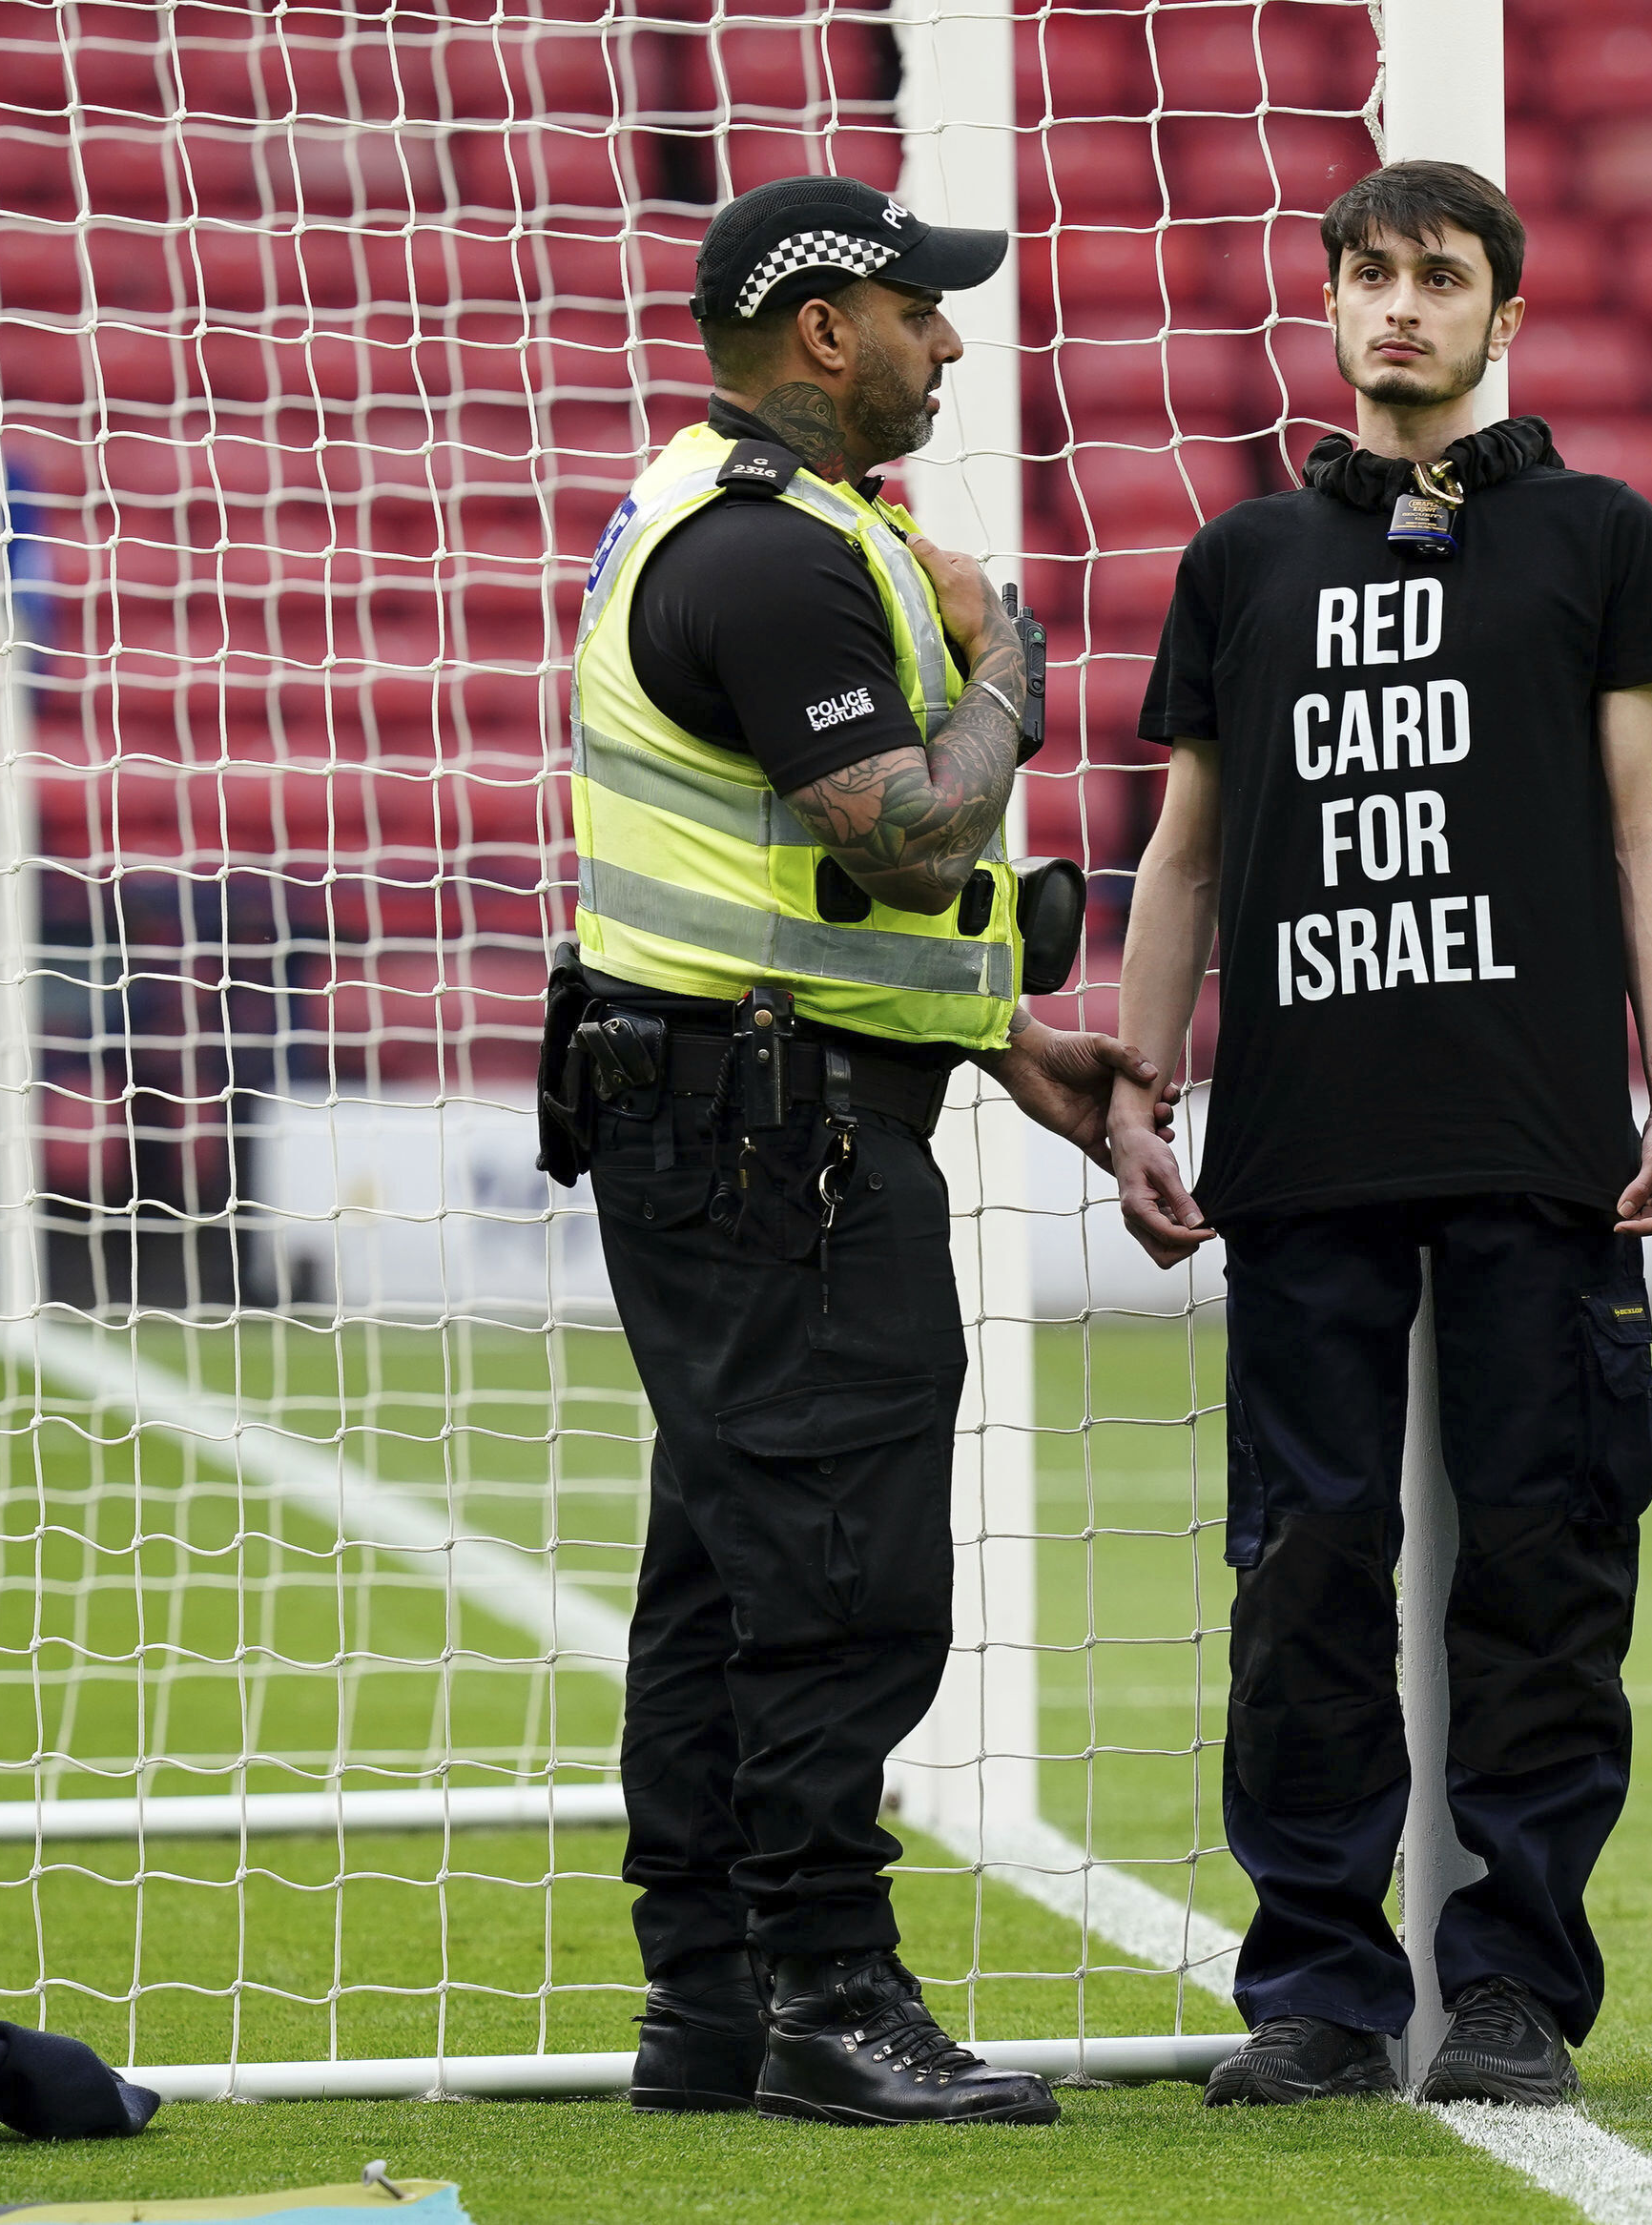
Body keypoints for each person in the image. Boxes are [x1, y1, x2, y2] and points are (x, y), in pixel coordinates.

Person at [544, 175, 1174, 2127]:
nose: (952, 341)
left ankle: (711, 1999)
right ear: (823, 329)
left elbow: (797, 903)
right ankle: (829, 1987)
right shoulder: (775, 559)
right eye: (923, 308)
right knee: (837, 1566)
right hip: (777, 1145)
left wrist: (994, 1043)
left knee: (728, 1567)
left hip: (748, 1108)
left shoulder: (744, 526)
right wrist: (1012, 661)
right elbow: (905, 834)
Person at [1106, 159, 1652, 2109]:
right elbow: (1182, 846)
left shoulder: (1597, 534)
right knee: (1304, 1576)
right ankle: (1315, 1988)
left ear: (1502, 311)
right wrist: (1137, 1080)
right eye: (1366, 275)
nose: (1398, 309)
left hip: (1540, 1130)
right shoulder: (1243, 560)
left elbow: (1641, 822)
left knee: (1541, 1567)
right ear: (1332, 304)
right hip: (1303, 1141)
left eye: (1438, 277)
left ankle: (1517, 1983)